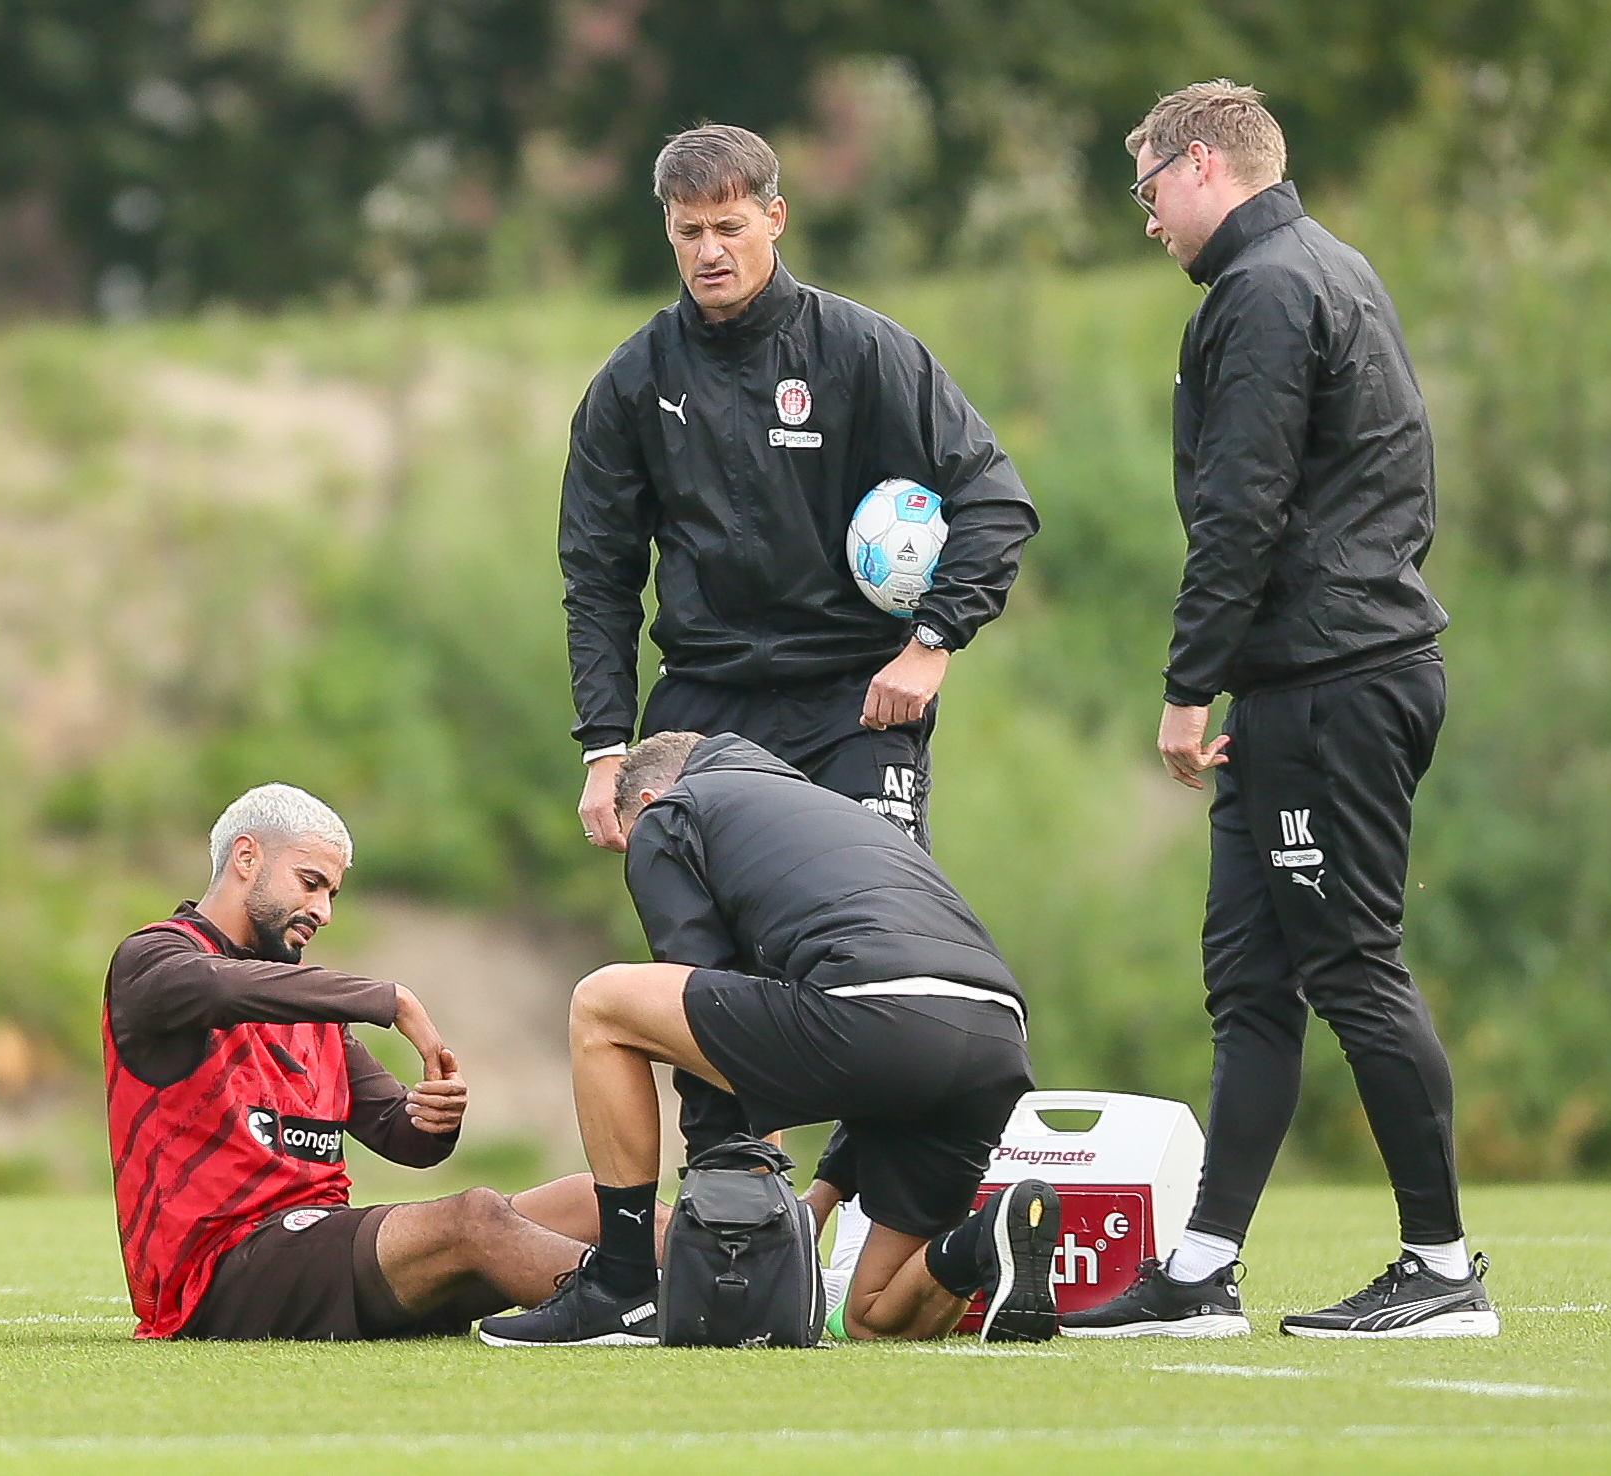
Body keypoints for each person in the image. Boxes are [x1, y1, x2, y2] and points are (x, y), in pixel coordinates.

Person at [1062, 82, 1495, 1341]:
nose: (1144, 219)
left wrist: (1185, 684)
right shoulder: (1328, 267)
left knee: (1350, 963)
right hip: (1306, 682)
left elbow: (1243, 510)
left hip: (1329, 685)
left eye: (1145, 189)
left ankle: (1441, 1267)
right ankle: (1199, 1273)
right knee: (1252, 983)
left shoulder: (1261, 291)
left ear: (1200, 167)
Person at [477, 731, 1058, 1348]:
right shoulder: (825, 811)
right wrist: (819, 1195)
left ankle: (618, 1286)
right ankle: (985, 1238)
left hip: (875, 1015)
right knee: (873, 1316)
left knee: (602, 1005)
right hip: (995, 1037)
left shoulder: (669, 815)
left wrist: (733, 1186)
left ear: (647, 801)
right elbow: (886, 1050)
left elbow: (700, 979)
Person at [561, 123, 1038, 855]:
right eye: (689, 231)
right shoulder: (634, 380)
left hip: (854, 706)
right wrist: (602, 746)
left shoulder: (861, 350)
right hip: (701, 714)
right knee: (710, 955)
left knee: (876, 932)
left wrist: (932, 641)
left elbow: (993, 500)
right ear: (667, 227)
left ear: (773, 219)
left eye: (729, 226)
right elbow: (597, 575)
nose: (709, 250)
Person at [103, 782, 651, 1341]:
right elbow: (214, 987)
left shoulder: (304, 1004)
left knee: (585, 1199)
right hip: (218, 1274)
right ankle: (638, 1306)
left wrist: (433, 1118)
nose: (322, 911)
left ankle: (731, 1273)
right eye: (310, 883)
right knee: (472, 1218)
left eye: (332, 893)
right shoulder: (152, 960)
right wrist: (386, 1000)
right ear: (246, 857)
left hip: (320, 1248)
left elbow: (400, 1138)